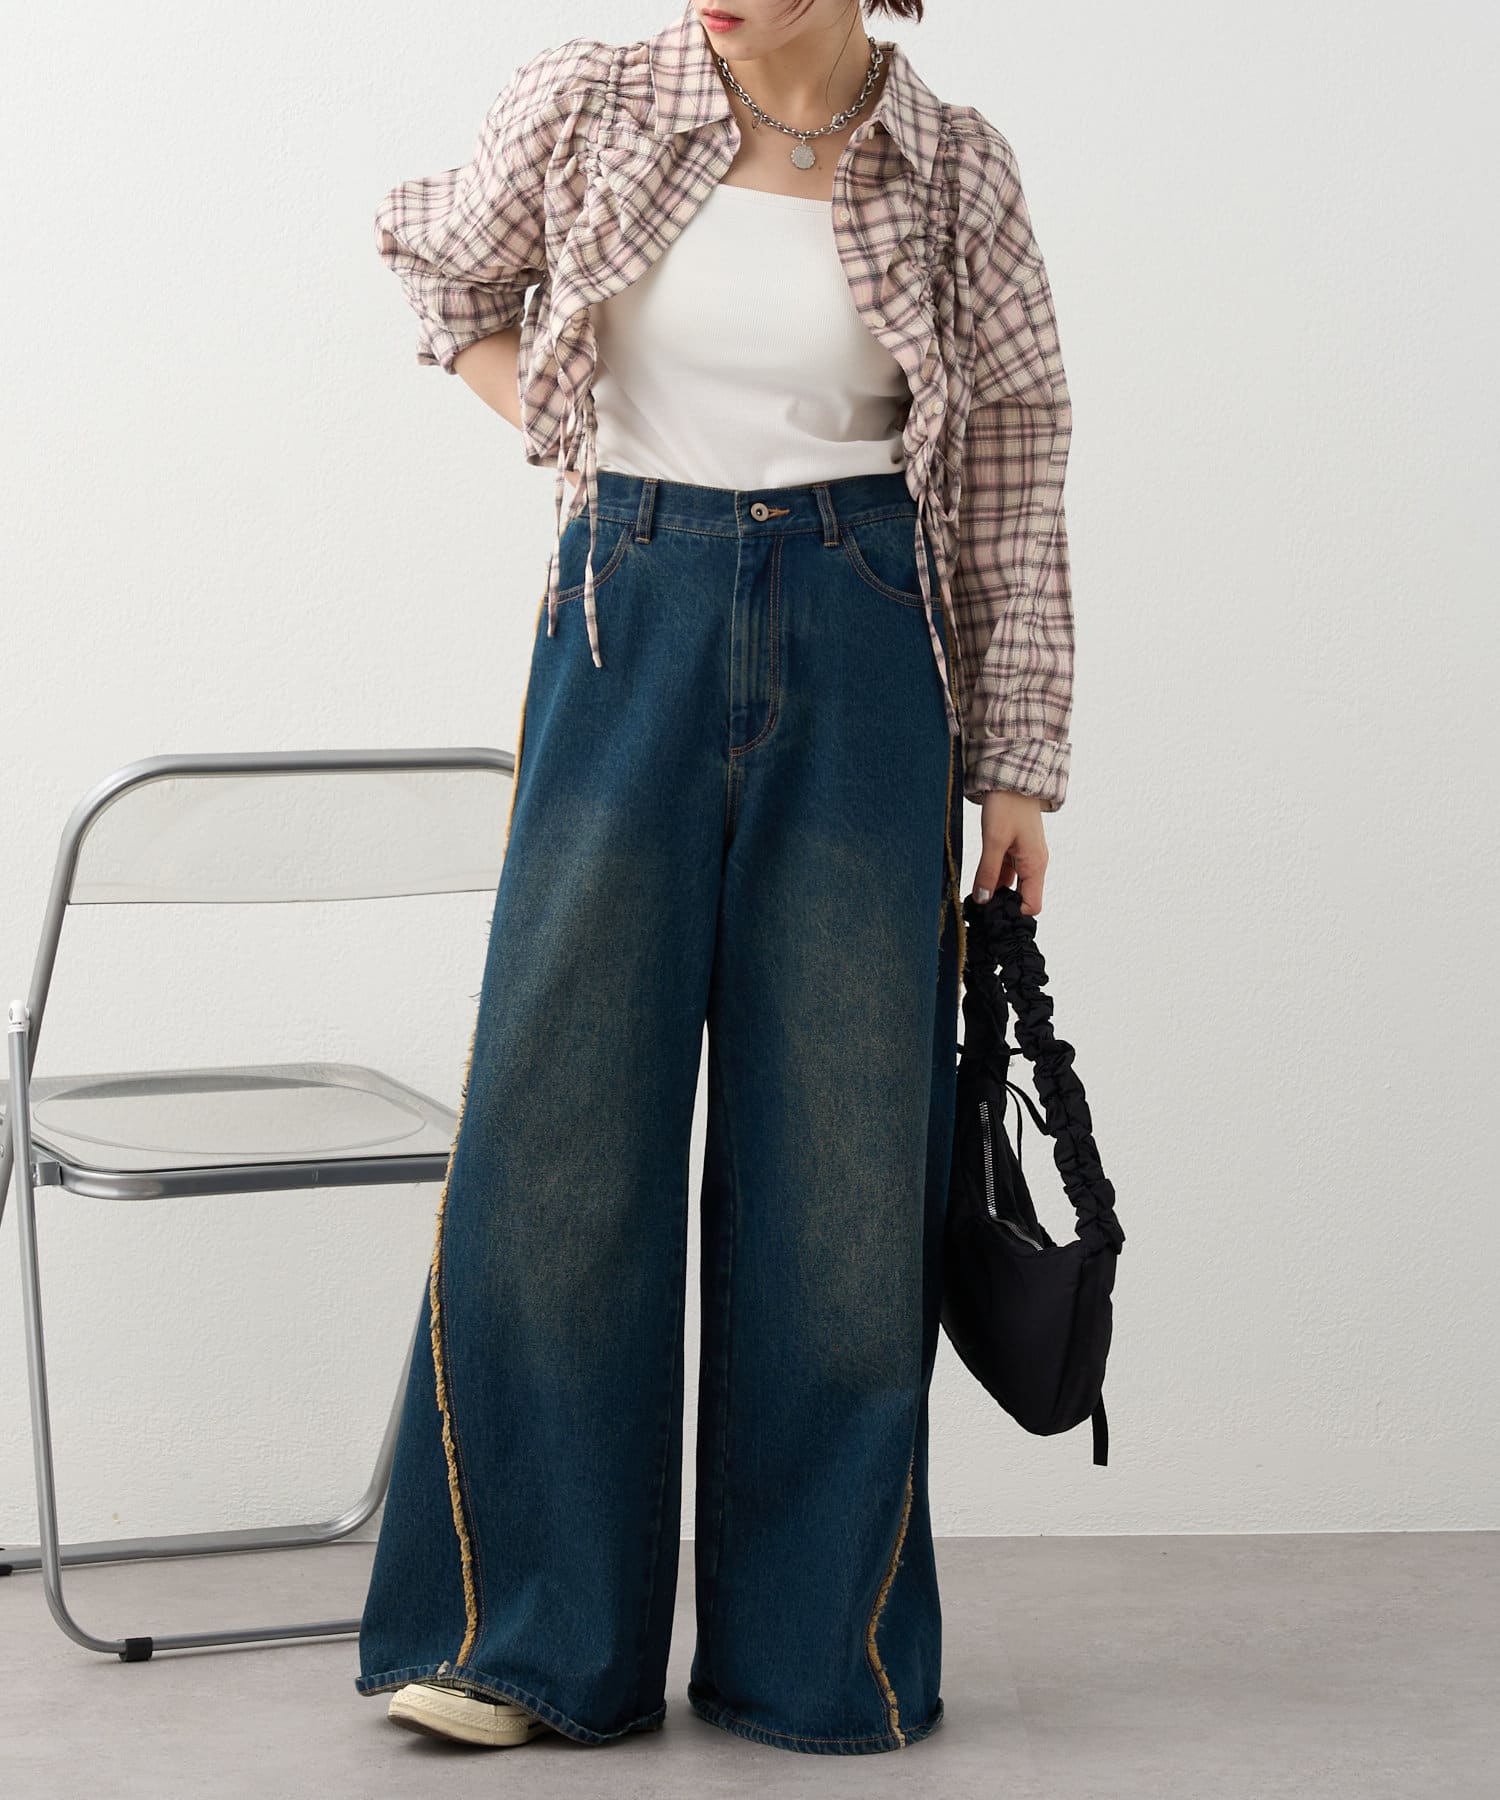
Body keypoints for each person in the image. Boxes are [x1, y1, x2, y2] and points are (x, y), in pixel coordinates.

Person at [354, 0, 1074, 1758]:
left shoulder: (954, 167)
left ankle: (818, 1655)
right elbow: (442, 271)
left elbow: (1013, 463)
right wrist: (561, 421)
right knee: (560, 1133)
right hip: (630, 603)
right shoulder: (591, 99)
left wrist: (1020, 760)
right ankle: (522, 1642)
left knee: (841, 1166)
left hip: (868, 627)